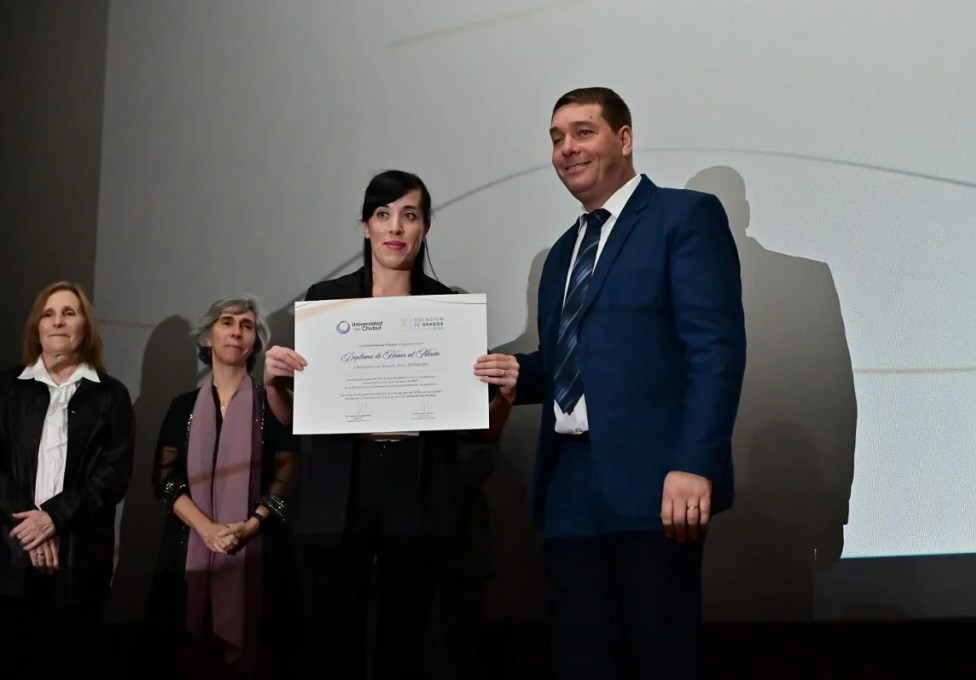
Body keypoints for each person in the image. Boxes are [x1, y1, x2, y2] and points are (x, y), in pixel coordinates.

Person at [512, 88, 747, 679]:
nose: (567, 148)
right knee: (580, 661)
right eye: (557, 137)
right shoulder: (562, 252)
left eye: (583, 132)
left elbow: (715, 350)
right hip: (567, 486)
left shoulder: (684, 216)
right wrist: (514, 373)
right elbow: (574, 357)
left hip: (656, 483)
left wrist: (697, 463)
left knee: (658, 658)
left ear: (624, 138)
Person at [263, 169, 519, 678]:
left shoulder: (449, 310)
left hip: (417, 481)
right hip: (344, 480)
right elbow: (297, 418)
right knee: (337, 632)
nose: (395, 227)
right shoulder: (326, 299)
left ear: (425, 227)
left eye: (409, 214)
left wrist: (507, 396)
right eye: (383, 214)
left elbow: (480, 431)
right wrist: (272, 382)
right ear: (365, 227)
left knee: (408, 634)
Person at [146, 295, 298, 678]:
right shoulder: (183, 407)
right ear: (209, 337)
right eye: (227, 322)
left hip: (258, 554)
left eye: (246, 326)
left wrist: (247, 527)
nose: (236, 331)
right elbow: (164, 480)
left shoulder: (274, 404)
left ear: (255, 343)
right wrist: (208, 529)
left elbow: (288, 472)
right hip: (187, 553)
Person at [0, 281, 135, 677]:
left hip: (79, 559)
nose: (58, 321)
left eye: (69, 313)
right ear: (36, 328)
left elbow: (112, 475)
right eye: (49, 313)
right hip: (10, 554)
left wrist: (54, 518)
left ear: (85, 328)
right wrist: (31, 524)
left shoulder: (112, 396)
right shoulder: (7, 389)